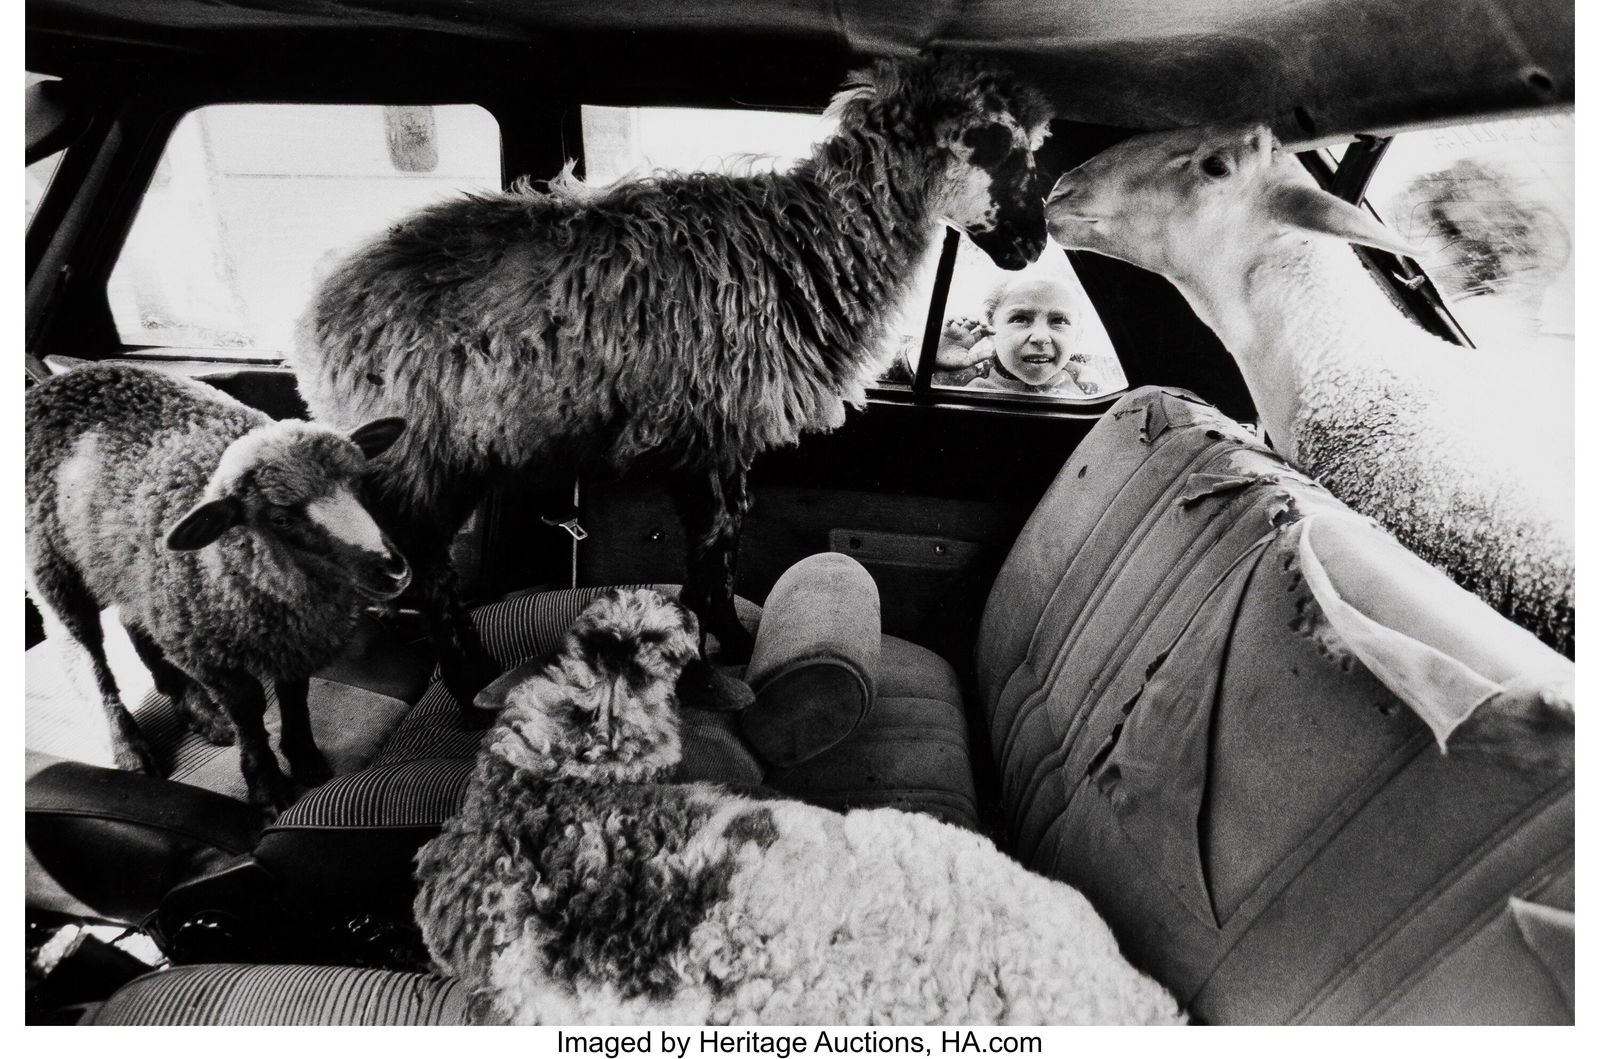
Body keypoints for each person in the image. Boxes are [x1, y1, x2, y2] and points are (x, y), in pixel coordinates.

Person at [963, 274, 1095, 395]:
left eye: (1059, 321)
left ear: (1077, 336)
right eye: (1019, 319)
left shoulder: (1089, 385)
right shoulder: (969, 377)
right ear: (990, 330)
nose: (1040, 337)